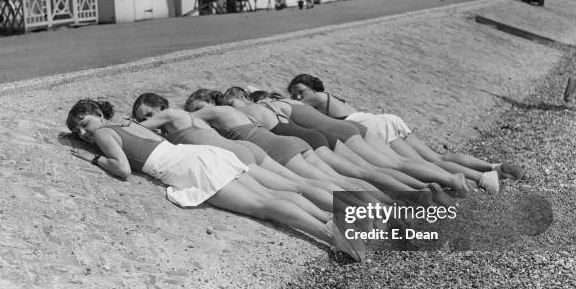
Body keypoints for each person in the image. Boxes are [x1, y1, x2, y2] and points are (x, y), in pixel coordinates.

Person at [66, 98, 363, 261]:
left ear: (97, 114)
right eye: (77, 130)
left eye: (84, 123)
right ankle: (331, 219)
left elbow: (122, 168)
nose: (83, 133)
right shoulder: (126, 122)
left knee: (266, 205)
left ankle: (332, 237)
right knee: (275, 192)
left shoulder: (104, 132)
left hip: (192, 168)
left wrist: (92, 157)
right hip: (201, 155)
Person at [221, 86, 457, 207]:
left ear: (240, 98)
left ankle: (411, 196)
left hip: (322, 137)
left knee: (361, 174)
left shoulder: (244, 111)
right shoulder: (280, 102)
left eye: (230, 101)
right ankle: (427, 188)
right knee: (389, 165)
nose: (230, 107)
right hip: (342, 128)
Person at [286, 74, 523, 184]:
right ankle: (493, 167)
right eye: (294, 93)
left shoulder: (316, 98)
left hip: (374, 129)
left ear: (311, 87)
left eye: (300, 91)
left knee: (429, 164)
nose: (297, 96)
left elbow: (293, 109)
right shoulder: (328, 97)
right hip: (384, 120)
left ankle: (482, 179)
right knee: (437, 156)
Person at [131, 92, 340, 211]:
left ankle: (348, 214)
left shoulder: (170, 115)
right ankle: (358, 208)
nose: (146, 120)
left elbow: (137, 130)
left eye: (148, 114)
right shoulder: (188, 117)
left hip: (237, 157)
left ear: (159, 107)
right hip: (245, 149)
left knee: (288, 189)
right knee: (301, 183)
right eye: (143, 117)